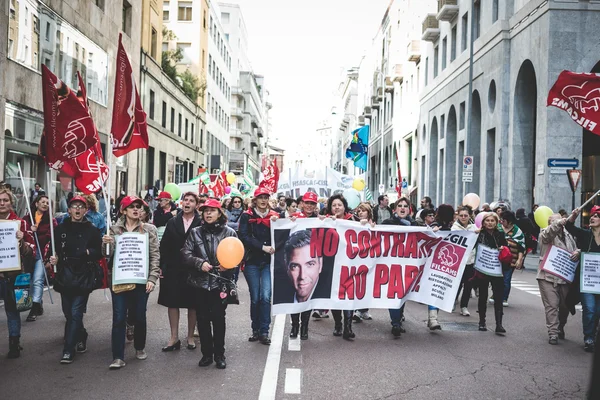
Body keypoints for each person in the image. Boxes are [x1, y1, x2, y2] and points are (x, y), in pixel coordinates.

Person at [102, 196, 160, 370]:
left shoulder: (149, 229)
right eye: (131, 207)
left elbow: (155, 255)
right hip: (119, 279)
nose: (136, 210)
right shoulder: (113, 229)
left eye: (139, 207)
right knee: (119, 317)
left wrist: (152, 278)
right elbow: (106, 257)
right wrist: (107, 244)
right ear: (123, 210)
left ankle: (139, 346)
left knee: (139, 316)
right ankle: (118, 356)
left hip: (141, 280)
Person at [181, 198, 237, 369]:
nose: (208, 213)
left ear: (220, 213)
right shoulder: (195, 232)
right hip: (200, 283)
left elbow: (238, 256)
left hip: (220, 283)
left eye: (212, 210)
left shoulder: (230, 233)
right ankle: (206, 354)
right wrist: (199, 263)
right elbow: (185, 253)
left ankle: (220, 354)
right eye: (205, 211)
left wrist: (227, 267)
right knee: (203, 319)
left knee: (219, 319)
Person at [48, 195, 102, 364]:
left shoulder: (92, 229)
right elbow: (53, 249)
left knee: (76, 312)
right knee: (67, 312)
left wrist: (87, 253)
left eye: (81, 206)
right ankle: (82, 334)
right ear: (69, 210)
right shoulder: (60, 228)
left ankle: (68, 349)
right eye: (74, 206)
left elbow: (99, 252)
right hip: (65, 274)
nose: (77, 209)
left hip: (83, 274)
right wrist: (53, 259)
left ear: (86, 210)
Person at [158, 192, 201, 352]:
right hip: (174, 267)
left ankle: (190, 337)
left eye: (191, 200)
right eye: (185, 200)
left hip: (194, 267)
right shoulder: (172, 221)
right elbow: (164, 245)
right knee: (172, 302)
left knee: (193, 303)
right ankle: (173, 337)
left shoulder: (200, 221)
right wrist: (162, 265)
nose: (188, 203)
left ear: (196, 204)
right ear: (182, 203)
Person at [238, 188, 280, 345]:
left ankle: (264, 331)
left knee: (266, 296)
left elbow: (285, 231)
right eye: (260, 197)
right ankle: (255, 329)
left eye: (266, 197)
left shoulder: (275, 216)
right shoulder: (246, 216)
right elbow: (244, 236)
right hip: (252, 262)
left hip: (269, 262)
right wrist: (263, 247)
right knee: (255, 297)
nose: (263, 200)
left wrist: (287, 223)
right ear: (254, 200)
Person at [0, 187, 34, 358]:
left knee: (12, 310)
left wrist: (22, 242)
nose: (2, 203)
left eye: (5, 200)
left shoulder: (20, 223)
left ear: (11, 202)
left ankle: (14, 342)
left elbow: (32, 252)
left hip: (12, 275)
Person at [537, 213, 578, 345]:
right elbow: (550, 232)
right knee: (552, 305)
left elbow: (575, 249)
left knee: (565, 306)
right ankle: (553, 333)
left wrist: (578, 252)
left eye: (560, 220)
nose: (559, 223)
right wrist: (558, 223)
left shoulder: (569, 236)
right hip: (547, 276)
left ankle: (561, 326)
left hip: (564, 277)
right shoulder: (545, 234)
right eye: (554, 221)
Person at [565, 206, 600, 352]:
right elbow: (569, 227)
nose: (592, 218)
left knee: (597, 312)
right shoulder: (586, 235)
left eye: (596, 216)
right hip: (587, 282)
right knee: (590, 309)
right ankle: (589, 338)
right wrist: (574, 216)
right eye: (591, 216)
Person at [382, 197, 416, 336]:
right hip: (391, 265)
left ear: (409, 210)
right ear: (395, 209)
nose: (402, 208)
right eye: (400, 206)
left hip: (408, 265)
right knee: (394, 293)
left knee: (403, 293)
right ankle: (395, 323)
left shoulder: (415, 225)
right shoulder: (387, 223)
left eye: (405, 206)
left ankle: (399, 318)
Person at [290, 192, 323, 331]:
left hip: (311, 260)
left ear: (315, 206)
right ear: (302, 204)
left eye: (312, 204)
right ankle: (295, 326)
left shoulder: (320, 219)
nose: (309, 206)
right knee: (295, 294)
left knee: (308, 297)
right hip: (297, 261)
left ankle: (304, 327)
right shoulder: (294, 218)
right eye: (307, 203)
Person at [23, 194, 57, 322]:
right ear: (36, 203)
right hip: (28, 254)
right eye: (42, 202)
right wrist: (29, 231)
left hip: (42, 254)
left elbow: (53, 238)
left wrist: (50, 257)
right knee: (31, 281)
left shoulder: (51, 221)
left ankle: (34, 308)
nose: (45, 204)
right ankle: (38, 301)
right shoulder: (27, 219)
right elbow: (21, 233)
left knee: (38, 280)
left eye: (47, 203)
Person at [475, 212, 509, 334]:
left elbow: (506, 247)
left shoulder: (500, 234)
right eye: (487, 221)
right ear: (483, 223)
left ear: (496, 222)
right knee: (483, 296)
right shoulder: (479, 234)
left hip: (496, 269)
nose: (490, 223)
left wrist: (503, 249)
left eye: (492, 221)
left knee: (498, 297)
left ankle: (499, 324)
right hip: (483, 269)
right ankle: (482, 322)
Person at [452, 206, 478, 316]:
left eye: (465, 215)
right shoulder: (454, 228)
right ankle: (452, 301)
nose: (463, 217)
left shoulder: (474, 228)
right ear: (457, 216)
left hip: (470, 261)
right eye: (461, 215)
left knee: (468, 285)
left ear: (470, 216)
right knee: (456, 284)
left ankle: (464, 306)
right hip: (458, 262)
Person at [498, 210, 525, 307]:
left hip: (511, 259)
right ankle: (495, 295)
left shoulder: (517, 231)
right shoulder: (498, 228)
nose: (502, 222)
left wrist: (519, 259)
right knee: (497, 279)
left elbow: (521, 246)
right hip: (497, 259)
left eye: (504, 220)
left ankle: (504, 298)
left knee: (506, 279)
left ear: (509, 221)